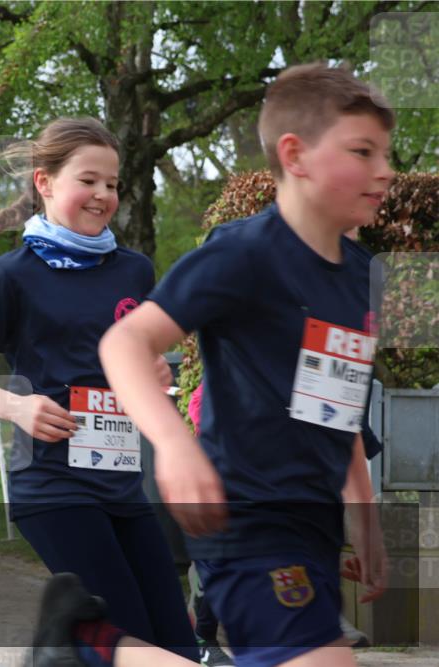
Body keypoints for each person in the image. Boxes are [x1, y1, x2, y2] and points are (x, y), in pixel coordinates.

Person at [100, 64, 393, 667]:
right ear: (296, 155)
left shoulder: (362, 276)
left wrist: (363, 517)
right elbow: (125, 345)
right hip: (244, 520)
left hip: (313, 529)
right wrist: (175, 446)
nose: (384, 171)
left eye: (385, 154)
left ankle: (95, 649)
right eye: (362, 152)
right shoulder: (241, 254)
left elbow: (335, 406)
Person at [0, 117, 196, 660]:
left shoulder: (134, 270)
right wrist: (16, 406)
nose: (104, 195)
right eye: (89, 180)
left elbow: (142, 364)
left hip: (123, 484)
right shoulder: (13, 275)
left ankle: (64, 647)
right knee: (130, 645)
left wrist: (156, 375)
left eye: (112, 183)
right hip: (55, 486)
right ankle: (71, 642)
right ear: (45, 183)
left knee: (177, 644)